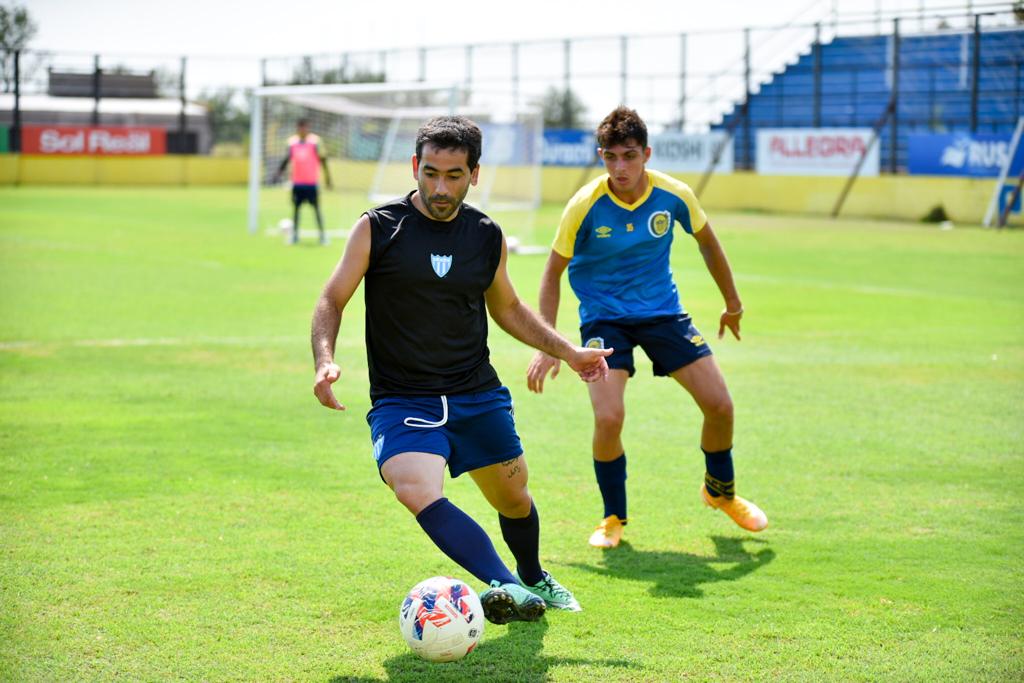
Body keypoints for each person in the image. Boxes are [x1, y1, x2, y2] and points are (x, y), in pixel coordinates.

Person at [311, 115, 613, 623]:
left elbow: (509, 308)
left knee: (514, 498)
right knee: (413, 486)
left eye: (453, 175)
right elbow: (332, 298)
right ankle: (507, 584)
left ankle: (532, 574)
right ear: (415, 165)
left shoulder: (485, 235)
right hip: (403, 398)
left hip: (476, 393)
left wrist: (568, 351)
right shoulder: (378, 228)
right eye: (430, 173)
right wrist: (325, 359)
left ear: (474, 173)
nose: (439, 187)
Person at [526, 106, 768, 549]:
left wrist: (732, 303)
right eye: (611, 157)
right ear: (601, 156)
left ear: (647, 154)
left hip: (663, 314)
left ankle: (721, 491)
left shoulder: (674, 194)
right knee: (609, 417)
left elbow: (708, 243)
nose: (620, 167)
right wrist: (549, 345)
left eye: (630, 156)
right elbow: (551, 273)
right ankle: (612, 517)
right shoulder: (584, 204)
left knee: (720, 406)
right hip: (604, 319)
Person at [274, 118, 333, 246]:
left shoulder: (315, 142)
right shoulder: (292, 143)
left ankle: (322, 236)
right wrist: (278, 173)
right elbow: (286, 159)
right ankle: (294, 237)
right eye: (300, 127)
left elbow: (323, 160)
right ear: (297, 128)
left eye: (305, 127)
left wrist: (328, 178)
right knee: (296, 210)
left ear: (308, 127)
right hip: (297, 183)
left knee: (316, 210)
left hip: (311, 183)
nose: (303, 129)